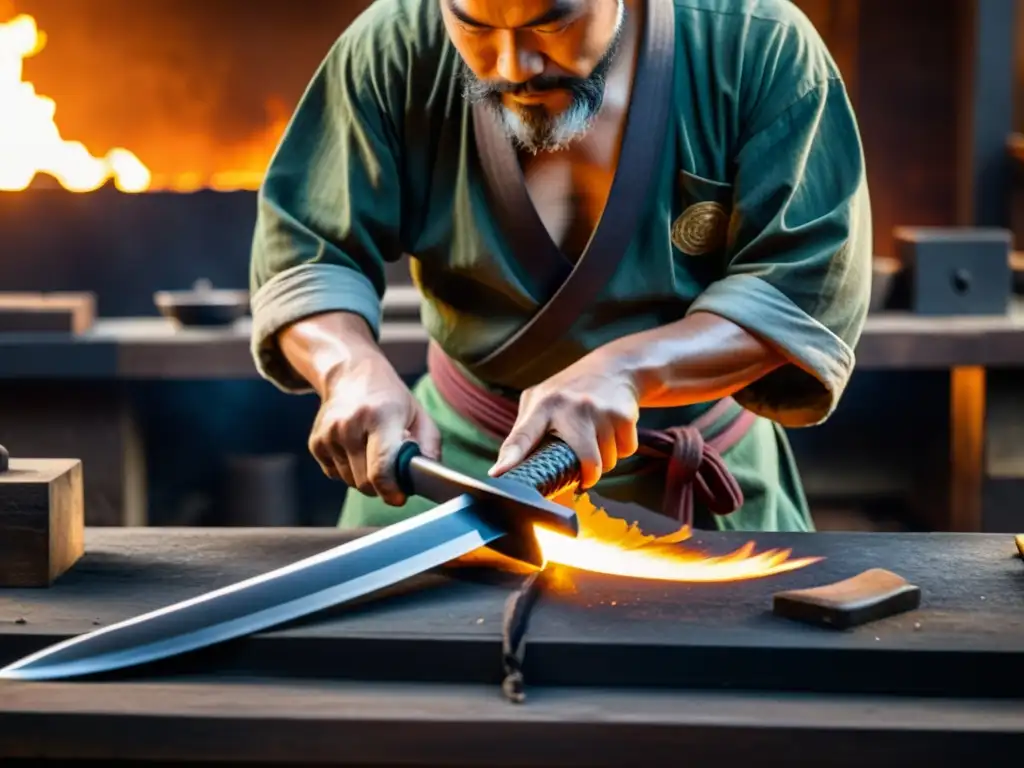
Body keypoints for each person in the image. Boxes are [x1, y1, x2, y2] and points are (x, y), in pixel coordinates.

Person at [248, 0, 872, 533]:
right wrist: (348, 366)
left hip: (695, 488)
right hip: (450, 482)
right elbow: (306, 251)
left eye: (551, 24)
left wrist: (630, 370)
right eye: (475, 26)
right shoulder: (395, 42)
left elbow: (801, 291)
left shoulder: (757, 45)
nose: (512, 67)